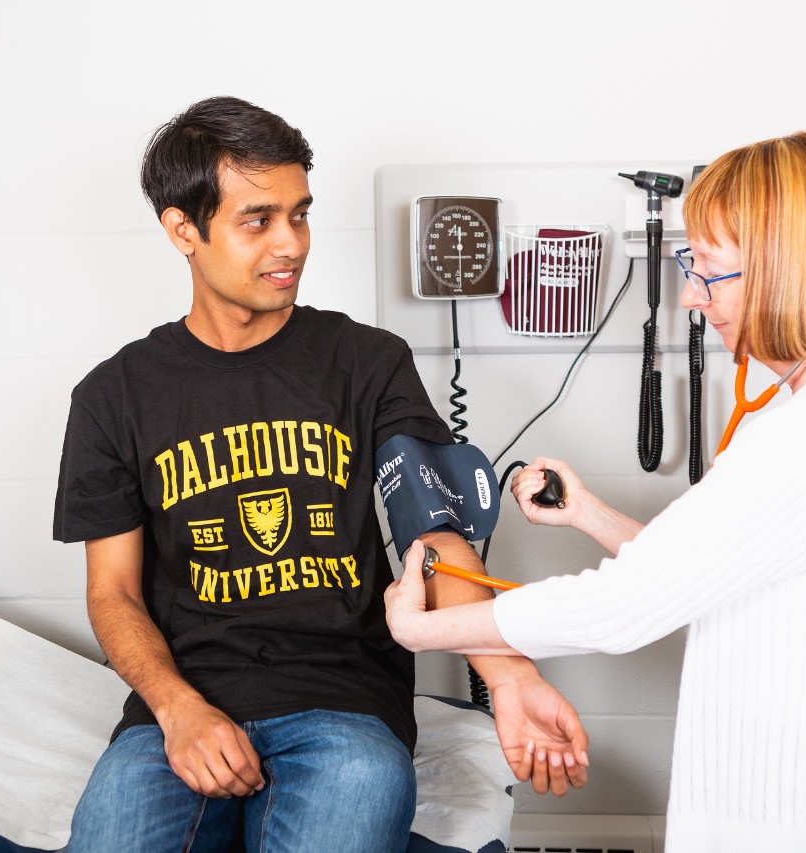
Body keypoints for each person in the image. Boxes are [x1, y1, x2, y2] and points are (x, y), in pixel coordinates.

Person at [385, 131, 806, 853]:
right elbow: (718, 569)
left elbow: (625, 606)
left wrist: (420, 629)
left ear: (792, 270)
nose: (691, 295)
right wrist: (589, 513)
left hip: (800, 830)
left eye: (710, 271)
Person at [53, 95, 587, 853]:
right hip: (180, 707)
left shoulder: (366, 362)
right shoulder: (114, 395)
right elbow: (112, 592)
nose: (291, 243)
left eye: (299, 214)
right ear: (183, 230)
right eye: (258, 219)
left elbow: (434, 538)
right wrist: (177, 709)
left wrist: (507, 672)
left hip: (343, 710)